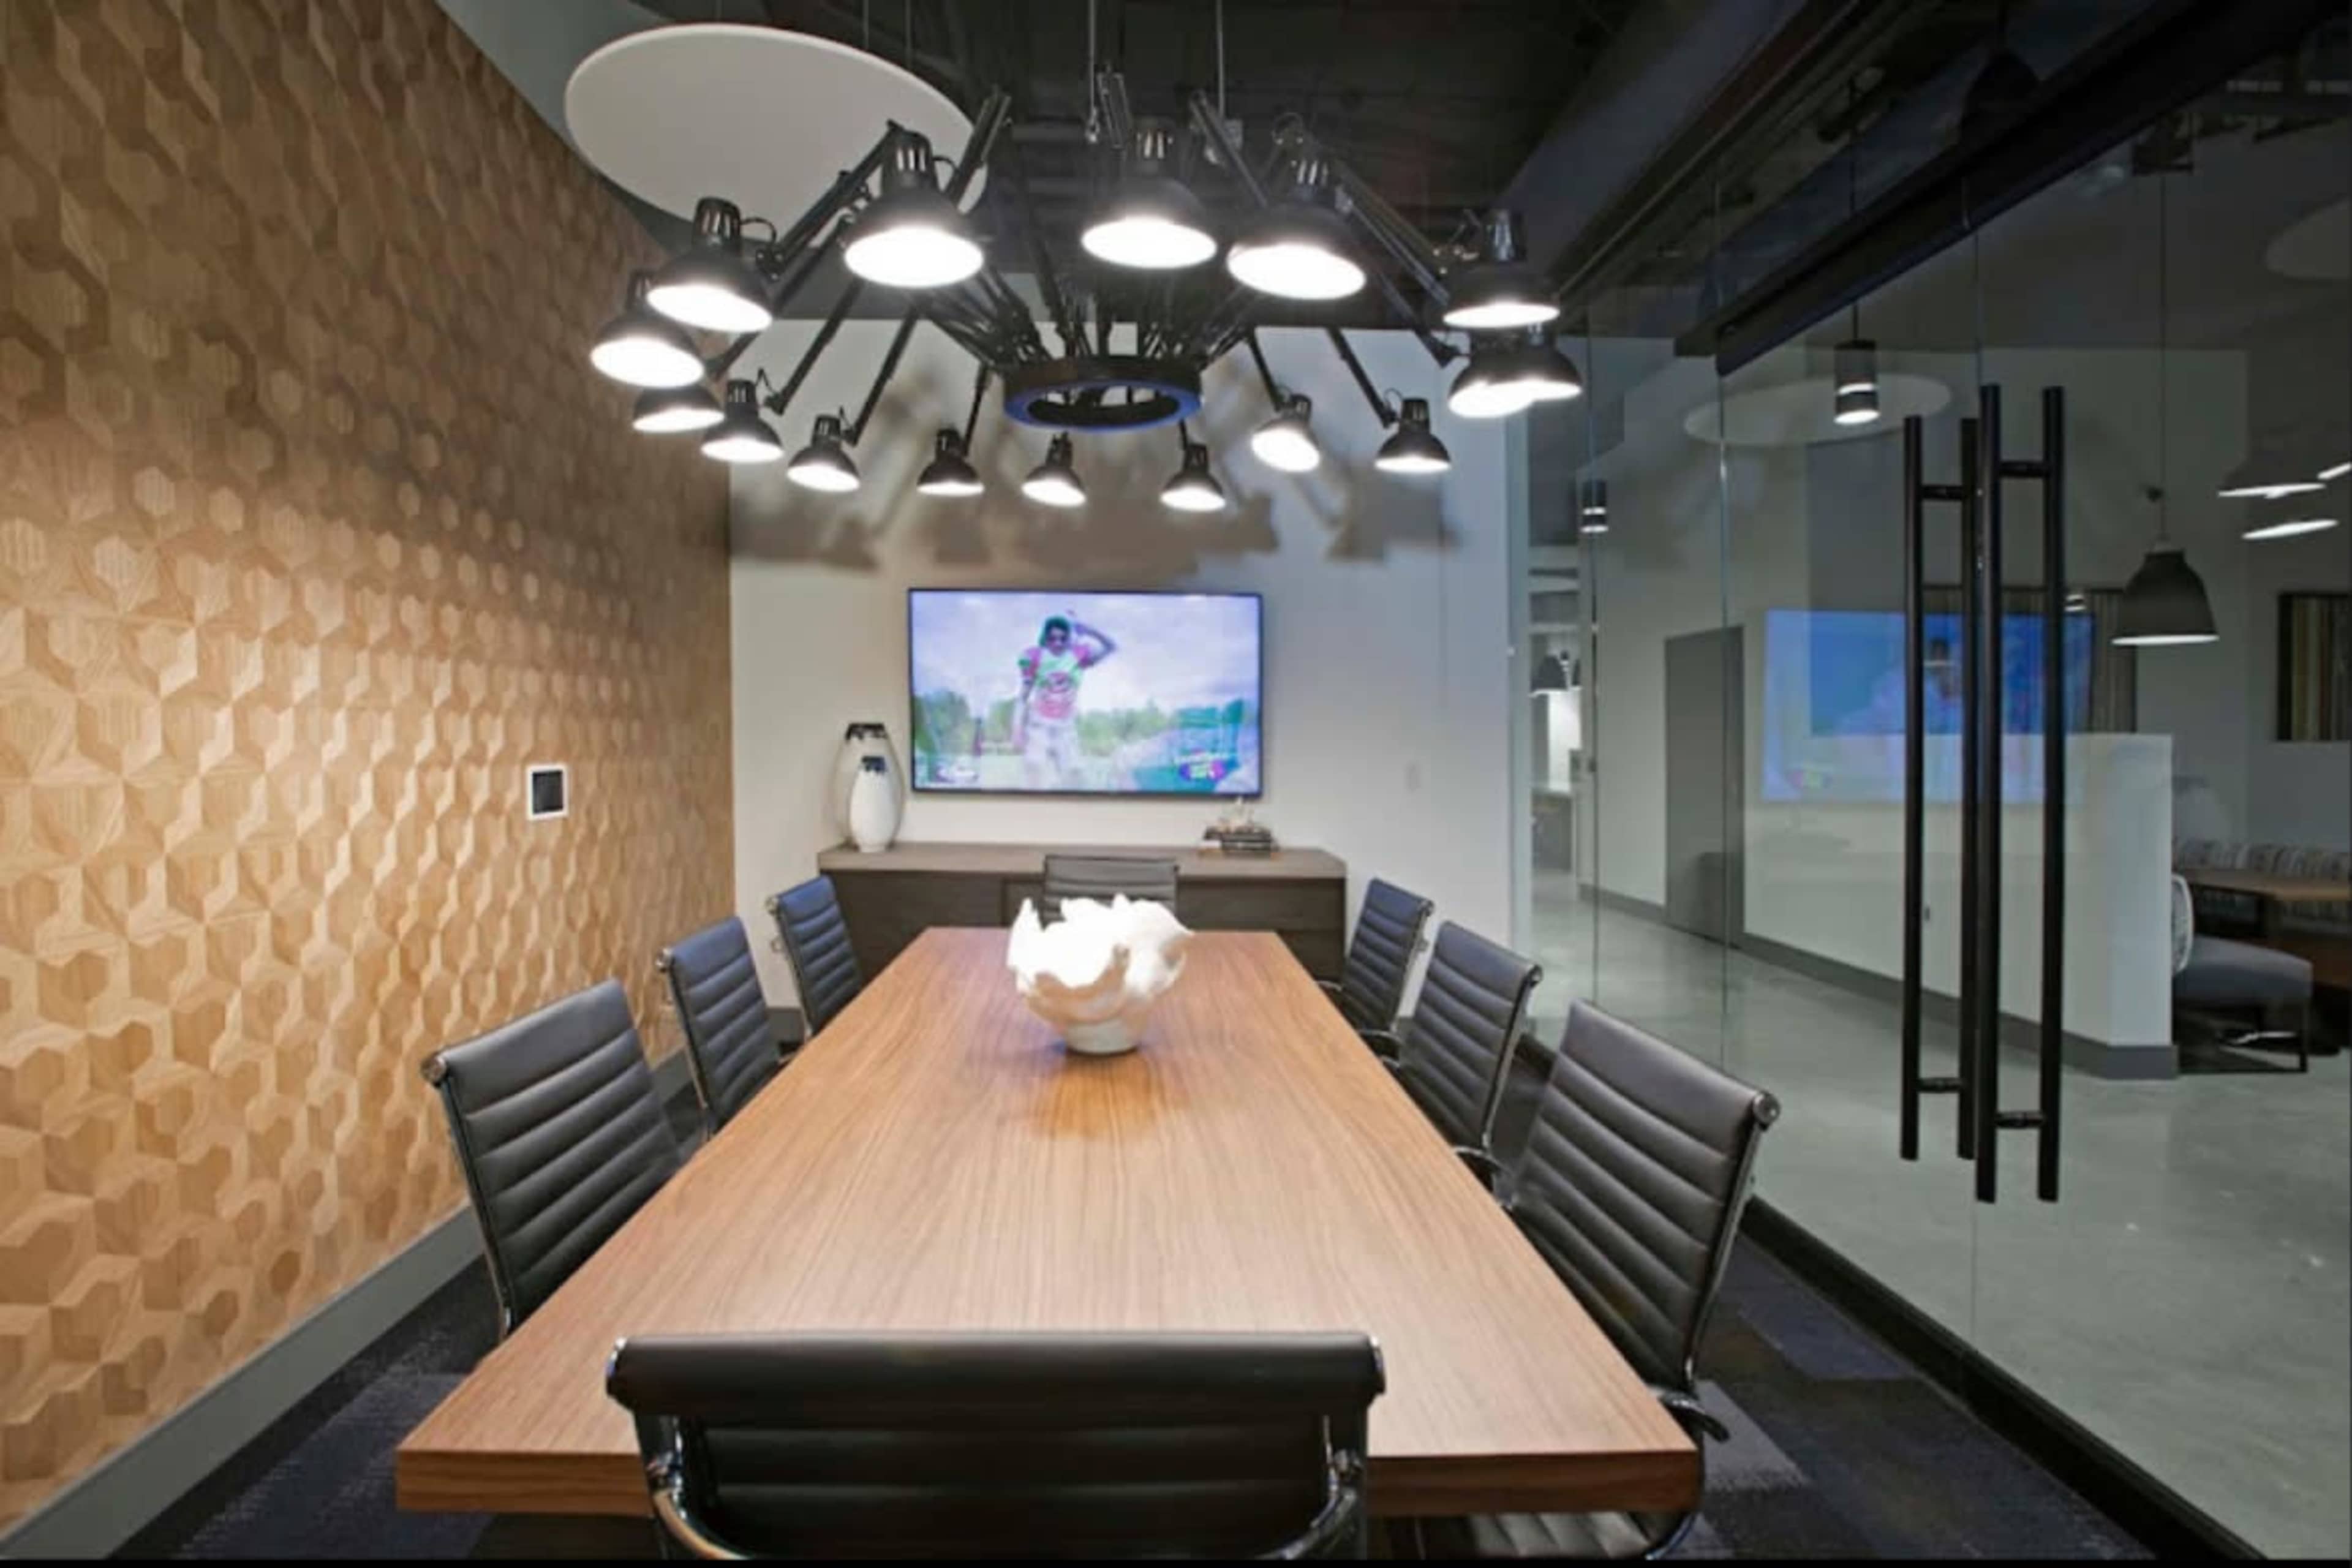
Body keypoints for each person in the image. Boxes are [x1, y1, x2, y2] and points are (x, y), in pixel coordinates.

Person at [1015, 614, 1116, 789]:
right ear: (1045, 639)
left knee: (1074, 776)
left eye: (1063, 639)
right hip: (1039, 725)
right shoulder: (1036, 658)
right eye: (1053, 639)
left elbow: (1111, 647)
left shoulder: (1076, 658)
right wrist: (1017, 729)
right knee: (1034, 771)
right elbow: (1023, 697)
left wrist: (1090, 630)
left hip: (1065, 727)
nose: (1058, 643)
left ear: (1069, 640)